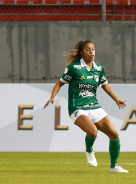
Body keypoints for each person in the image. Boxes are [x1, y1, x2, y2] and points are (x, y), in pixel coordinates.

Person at [44, 40, 128, 173]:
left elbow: (105, 85)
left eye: (93, 49)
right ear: (82, 52)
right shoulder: (74, 68)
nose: (91, 52)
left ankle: (114, 167)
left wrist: (116, 99)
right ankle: (89, 151)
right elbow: (59, 84)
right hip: (77, 107)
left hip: (94, 106)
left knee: (114, 134)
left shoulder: (98, 69)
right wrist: (53, 97)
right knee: (93, 132)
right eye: (88, 49)